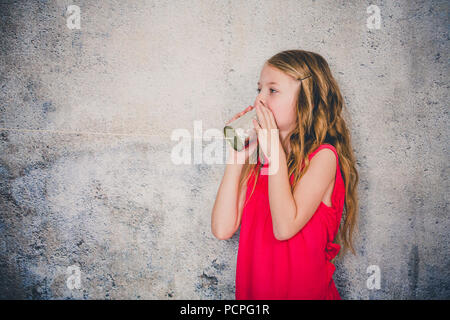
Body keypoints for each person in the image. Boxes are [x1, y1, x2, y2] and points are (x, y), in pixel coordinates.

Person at [211, 50, 359, 300]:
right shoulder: (259, 165)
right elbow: (222, 229)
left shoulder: (324, 158)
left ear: (306, 100)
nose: (260, 100)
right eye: (259, 90)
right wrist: (237, 158)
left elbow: (284, 227)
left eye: (272, 90)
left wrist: (273, 151)